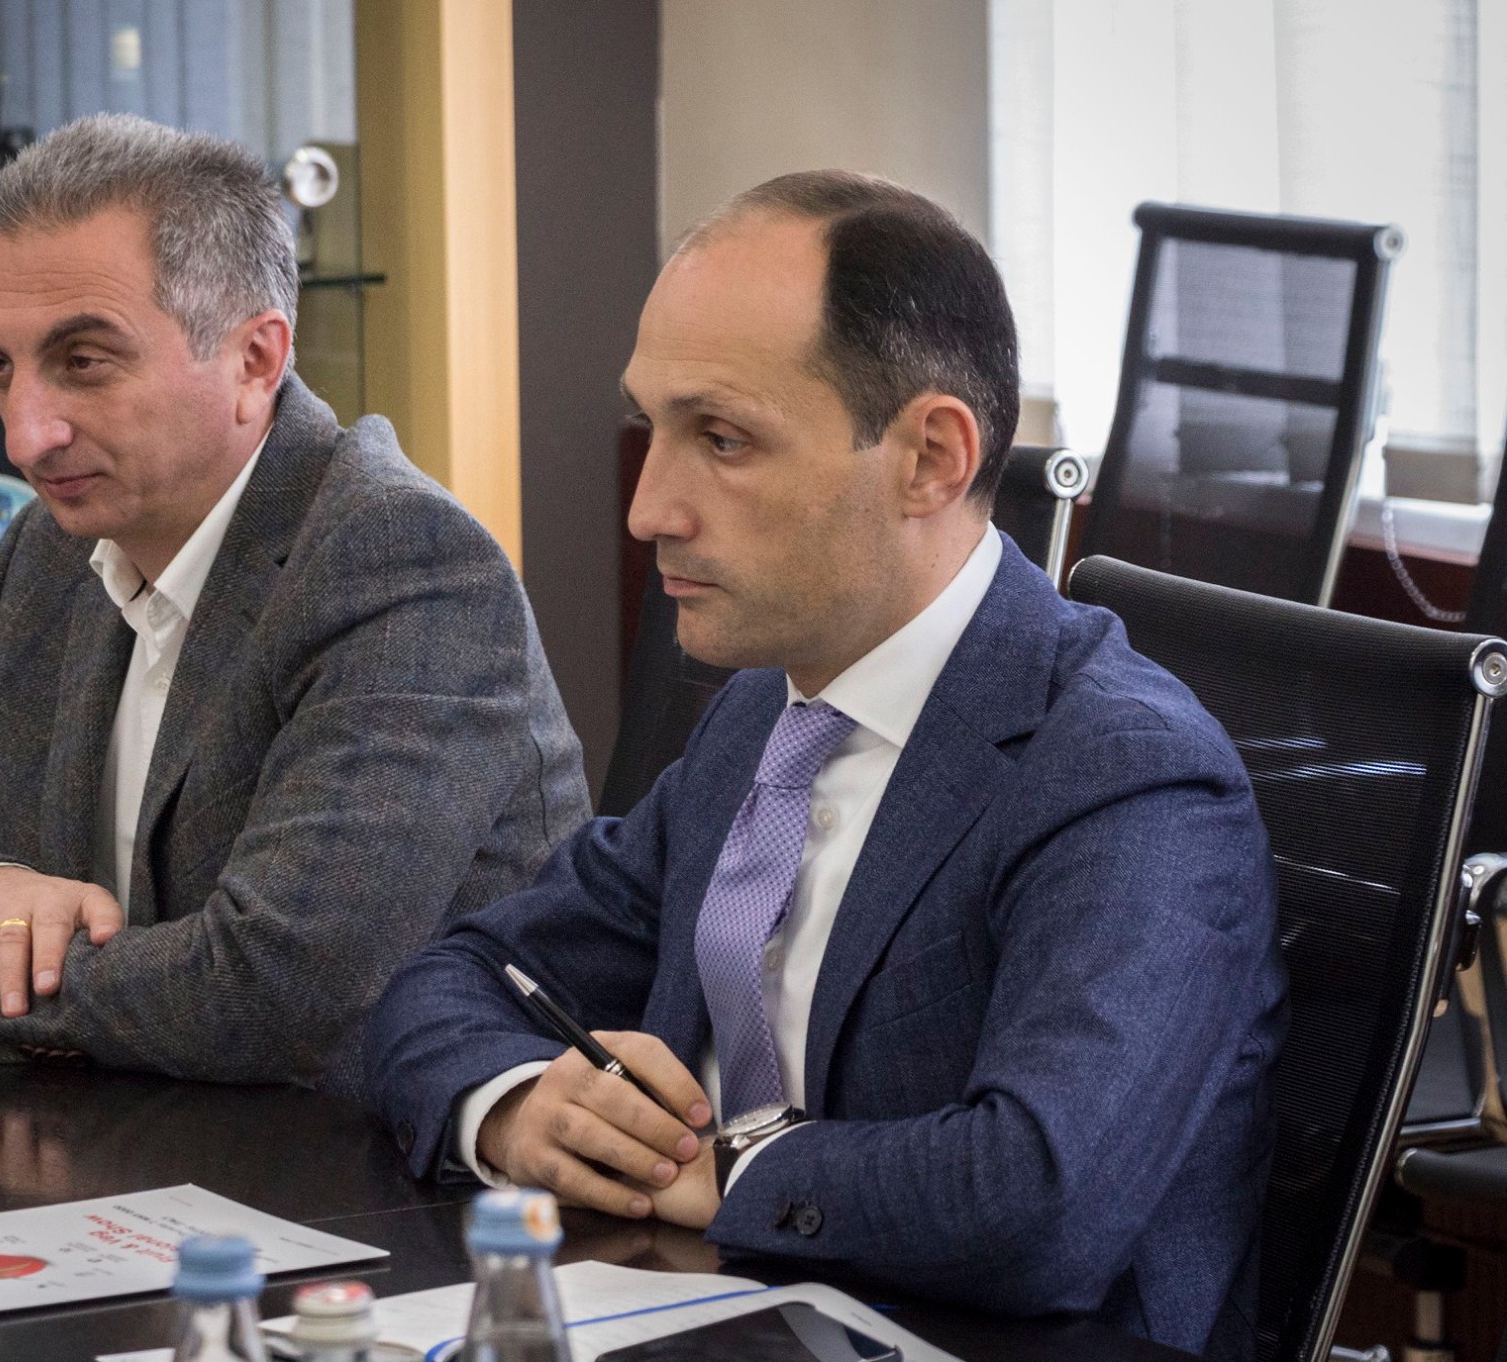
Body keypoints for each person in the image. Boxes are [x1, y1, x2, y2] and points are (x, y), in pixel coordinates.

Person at [364, 171, 1285, 1360]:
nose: (647, 509)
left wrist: (726, 1166)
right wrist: (517, 1110)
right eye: (653, 428)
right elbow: (460, 975)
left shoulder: (1126, 777)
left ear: (929, 459)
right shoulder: (767, 711)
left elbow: (1034, 1200)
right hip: (707, 1315)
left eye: (723, 439)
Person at [0, 114, 588, 1093]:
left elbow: (274, 989)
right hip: (127, 1140)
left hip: (381, 1167)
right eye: (0, 366)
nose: (24, 437)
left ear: (255, 360)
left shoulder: (403, 565)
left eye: (84, 362)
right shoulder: (48, 556)